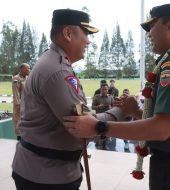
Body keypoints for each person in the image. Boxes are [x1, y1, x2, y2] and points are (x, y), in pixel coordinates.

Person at [63, 4, 170, 190]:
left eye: (152, 26)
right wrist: (135, 110)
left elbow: (161, 129)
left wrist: (98, 127)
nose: (149, 34)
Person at [11, 9, 137, 190]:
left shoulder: (54, 62)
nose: (88, 40)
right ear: (68, 33)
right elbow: (84, 127)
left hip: (42, 171)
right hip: (47, 178)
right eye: (85, 33)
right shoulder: (57, 71)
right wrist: (123, 111)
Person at [92, 83, 114, 150]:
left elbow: (114, 106)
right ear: (100, 89)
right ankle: (98, 143)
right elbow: (92, 107)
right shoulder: (96, 97)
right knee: (99, 131)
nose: (104, 90)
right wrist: (98, 106)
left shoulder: (110, 97)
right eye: (103, 89)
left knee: (107, 130)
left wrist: (111, 107)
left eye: (106, 89)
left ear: (108, 90)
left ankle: (105, 144)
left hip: (108, 117)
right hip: (99, 117)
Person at [12, 63, 30, 140]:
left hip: (27, 105)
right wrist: (18, 105)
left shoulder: (27, 78)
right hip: (19, 106)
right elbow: (15, 93)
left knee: (26, 125)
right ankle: (19, 142)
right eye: (28, 68)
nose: (29, 70)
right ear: (23, 69)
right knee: (19, 124)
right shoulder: (16, 78)